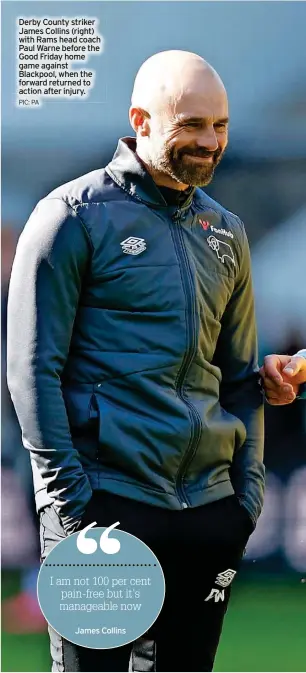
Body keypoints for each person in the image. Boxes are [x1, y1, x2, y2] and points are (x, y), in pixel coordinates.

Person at [7, 50, 265, 672]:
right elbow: (30, 371)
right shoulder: (71, 216)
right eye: (192, 125)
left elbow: (239, 376)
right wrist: (71, 508)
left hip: (207, 512)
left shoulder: (226, 233)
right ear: (141, 120)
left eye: (220, 126)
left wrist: (245, 497)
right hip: (103, 507)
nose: (210, 142)